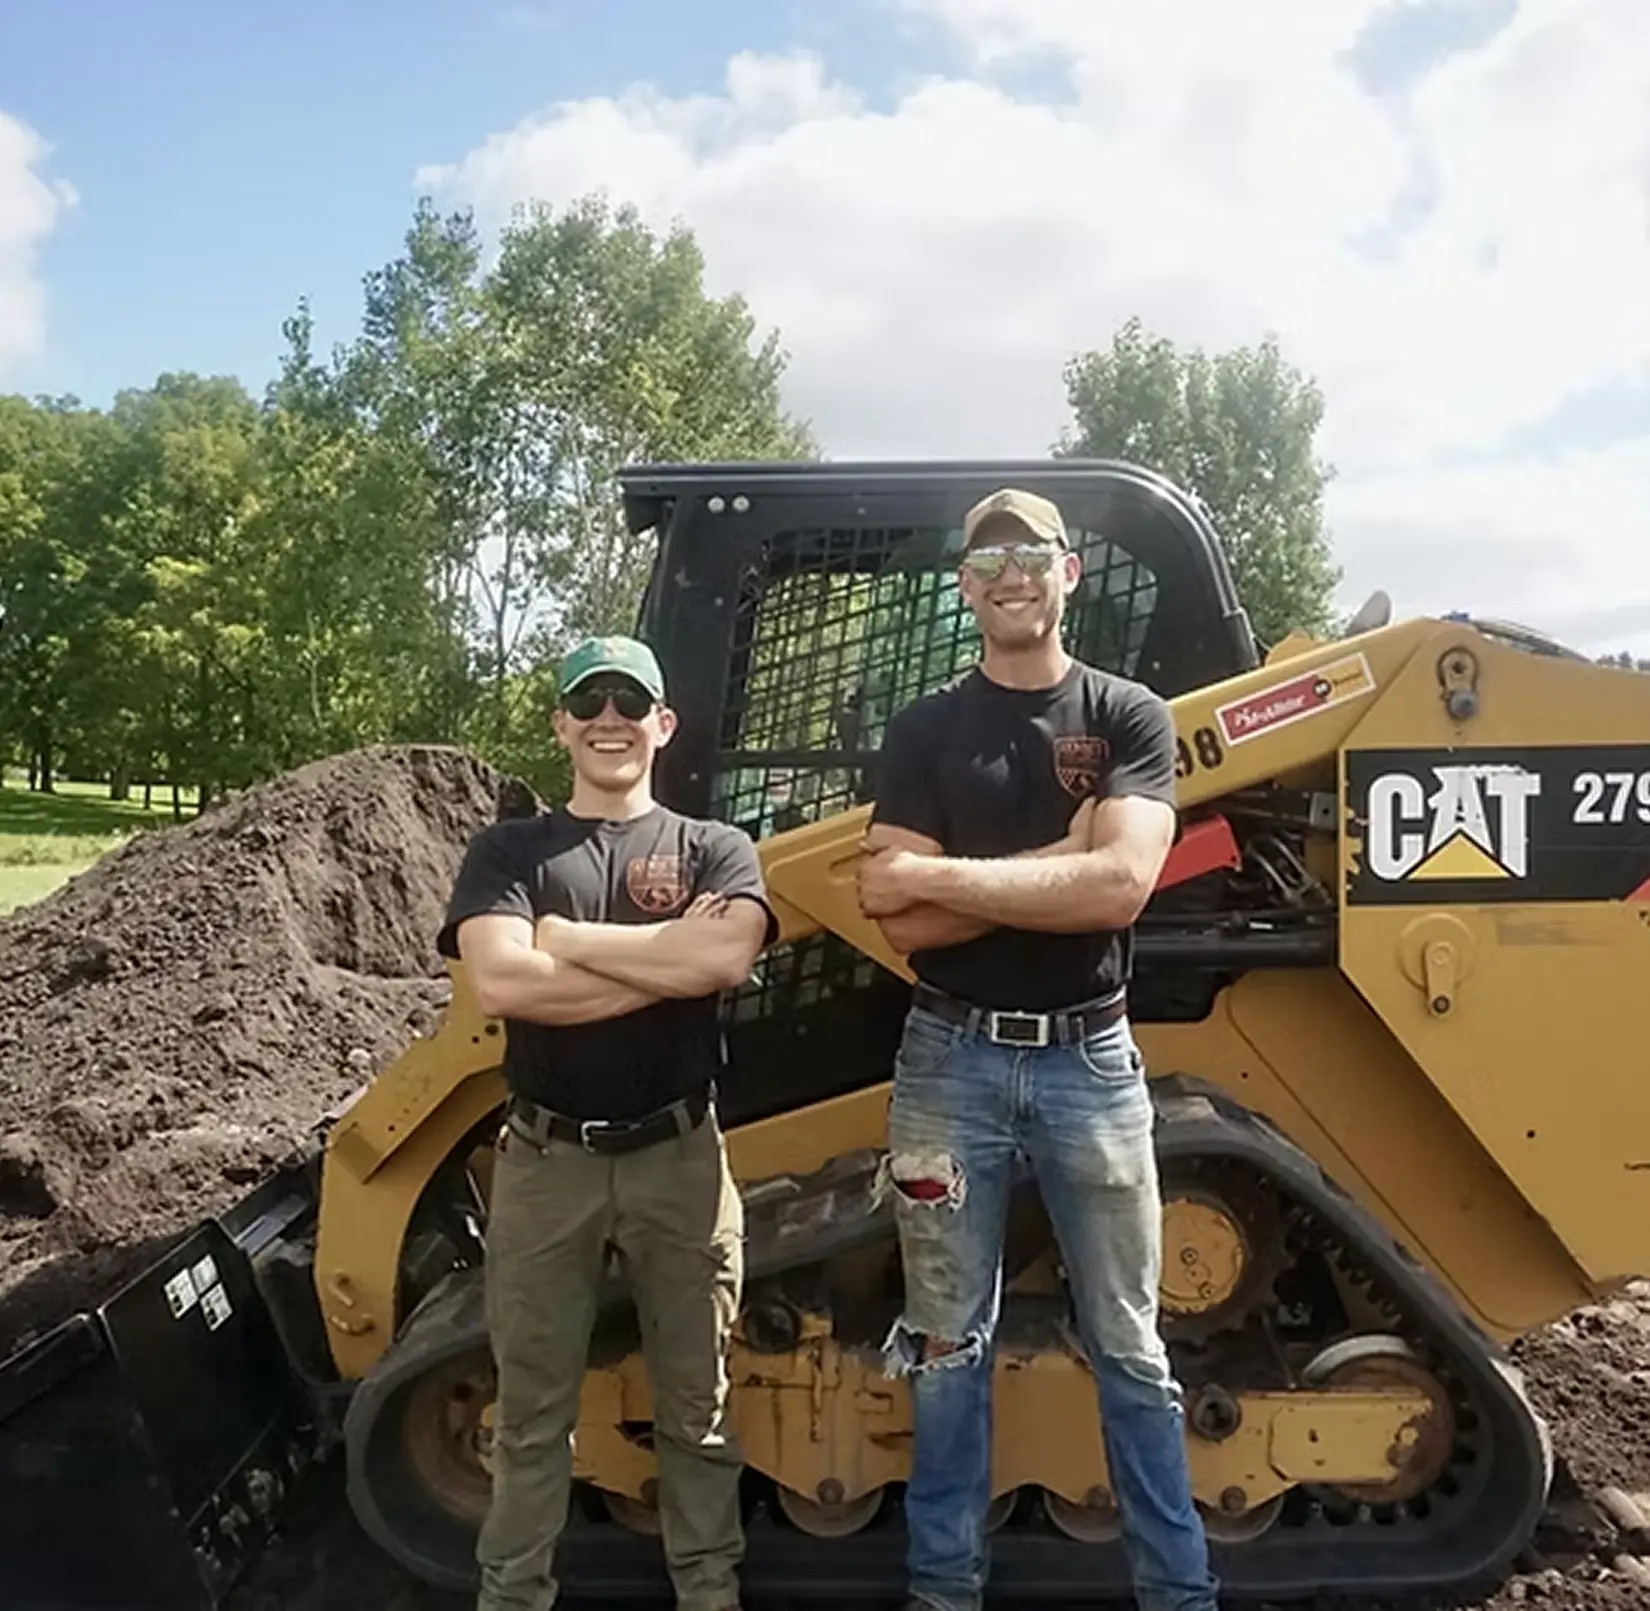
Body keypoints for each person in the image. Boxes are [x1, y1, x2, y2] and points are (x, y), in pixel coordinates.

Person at [855, 489, 1219, 1611]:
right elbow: (893, 915)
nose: (1014, 574)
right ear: (967, 587)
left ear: (1069, 575)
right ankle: (944, 1591)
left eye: (1035, 555)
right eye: (990, 559)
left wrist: (951, 875)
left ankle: (1179, 1594)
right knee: (946, 1346)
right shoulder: (924, 732)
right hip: (946, 1065)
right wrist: (1055, 863)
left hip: (1091, 1066)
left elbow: (1120, 886)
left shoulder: (1128, 718)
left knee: (1130, 1343)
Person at [437, 632, 778, 1611]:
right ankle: (513, 1596)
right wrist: (666, 958)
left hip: (682, 1160)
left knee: (699, 1409)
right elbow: (502, 981)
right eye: (590, 703)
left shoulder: (716, 847)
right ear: (561, 724)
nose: (610, 721)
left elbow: (720, 966)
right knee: (533, 1413)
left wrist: (574, 943)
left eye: (631, 703)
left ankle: (709, 1594)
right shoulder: (508, 851)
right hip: (548, 1164)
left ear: (663, 724)